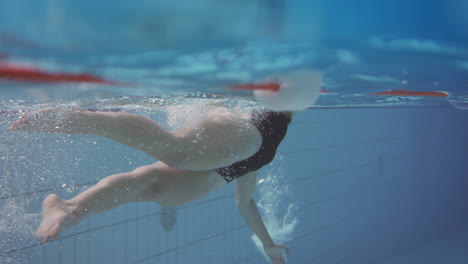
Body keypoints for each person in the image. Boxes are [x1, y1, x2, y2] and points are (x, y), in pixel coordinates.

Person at [10, 105, 292, 264]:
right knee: (175, 152)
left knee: (149, 186)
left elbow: (243, 203)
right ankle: (83, 118)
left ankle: (72, 208)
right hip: (239, 136)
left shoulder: (266, 149)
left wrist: (268, 245)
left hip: (211, 173)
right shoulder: (268, 110)